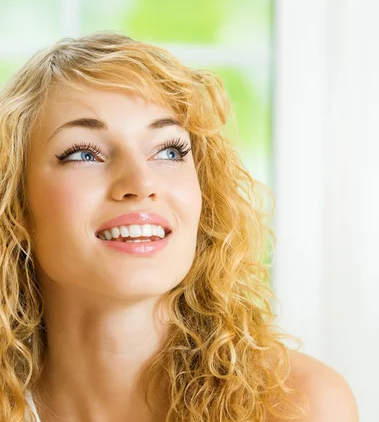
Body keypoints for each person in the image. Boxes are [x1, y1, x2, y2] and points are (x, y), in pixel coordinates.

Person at [0, 32, 358, 422]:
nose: (141, 183)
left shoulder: (299, 405)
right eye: (84, 153)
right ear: (15, 204)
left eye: (169, 151)